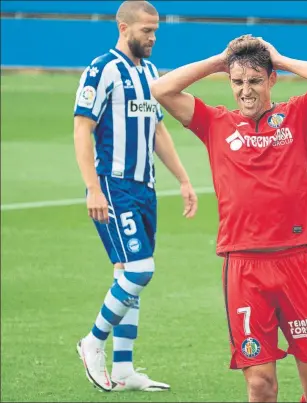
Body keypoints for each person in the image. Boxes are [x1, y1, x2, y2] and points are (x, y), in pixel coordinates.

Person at [151, 34, 307, 402]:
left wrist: (280, 57)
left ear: (271, 80)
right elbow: (161, 88)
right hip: (244, 268)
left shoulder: (298, 115)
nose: (246, 91)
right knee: (259, 385)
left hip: (297, 263)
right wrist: (221, 59)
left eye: (255, 81)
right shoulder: (214, 123)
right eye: (237, 82)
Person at [73, 0, 197, 392]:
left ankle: (124, 369)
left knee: (130, 276)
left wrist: (183, 178)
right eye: (147, 30)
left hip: (145, 186)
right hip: (114, 184)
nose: (153, 37)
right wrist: (93, 187)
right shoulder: (102, 69)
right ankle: (92, 342)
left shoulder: (150, 73)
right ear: (124, 29)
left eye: (156, 30)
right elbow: (82, 127)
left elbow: (159, 131)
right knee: (141, 269)